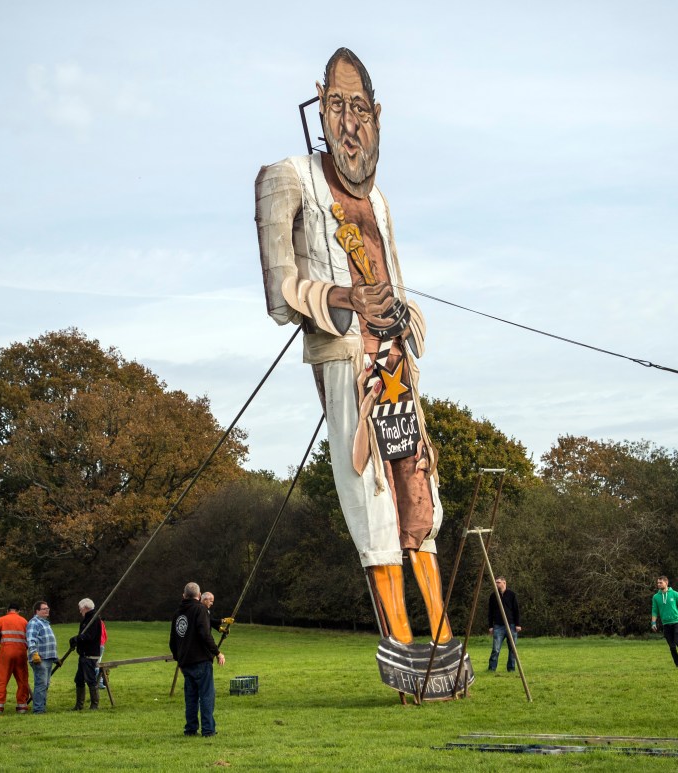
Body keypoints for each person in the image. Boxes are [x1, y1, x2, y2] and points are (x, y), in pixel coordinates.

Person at [255, 48, 453, 651]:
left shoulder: (382, 201)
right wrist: (341, 295)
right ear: (319, 108)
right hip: (346, 359)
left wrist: (404, 311)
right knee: (372, 503)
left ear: (377, 116)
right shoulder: (286, 177)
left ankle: (443, 642)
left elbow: (393, 274)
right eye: (337, 106)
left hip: (397, 362)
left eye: (359, 108)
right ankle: (402, 647)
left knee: (420, 499)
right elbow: (279, 294)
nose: (349, 121)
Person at [170, 582, 226, 737]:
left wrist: (179, 660)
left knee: (191, 697)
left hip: (186, 663)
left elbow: (172, 641)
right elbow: (204, 634)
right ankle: (208, 730)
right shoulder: (200, 609)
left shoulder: (177, 614)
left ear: (184, 595)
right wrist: (218, 653)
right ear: (199, 595)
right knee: (207, 695)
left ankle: (190, 729)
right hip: (201, 660)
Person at [0, 602, 31, 714]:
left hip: (6, 652)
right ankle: (22, 706)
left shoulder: (1, 620)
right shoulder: (24, 621)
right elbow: (29, 637)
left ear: (8, 610)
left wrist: (3, 641)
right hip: (21, 653)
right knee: (22, 680)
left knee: (2, 679)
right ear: (18, 611)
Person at [68, 598, 103, 710]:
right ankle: (79, 705)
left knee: (90, 679)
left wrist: (77, 638)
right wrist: (76, 641)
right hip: (83, 654)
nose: (80, 611)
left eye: (80, 609)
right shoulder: (87, 619)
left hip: (90, 655)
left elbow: (89, 636)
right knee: (79, 679)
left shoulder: (93, 619)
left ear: (85, 608)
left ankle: (94, 705)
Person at [25, 600, 58, 714]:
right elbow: (30, 639)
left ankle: (41, 707)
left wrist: (55, 658)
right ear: (37, 611)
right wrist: (34, 653)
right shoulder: (34, 623)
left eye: (47, 608)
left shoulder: (45, 623)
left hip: (48, 658)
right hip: (40, 658)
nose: (47, 610)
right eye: (44, 609)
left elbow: (49, 641)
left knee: (45, 684)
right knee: (41, 684)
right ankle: (38, 709)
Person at [651, 575, 678, 667]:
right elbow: (654, 610)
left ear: (666, 582)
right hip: (666, 623)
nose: (658, 584)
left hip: (676, 622)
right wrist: (653, 623)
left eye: (660, 582)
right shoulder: (656, 597)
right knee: (672, 646)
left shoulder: (675, 594)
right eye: (658, 583)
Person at [487, 577, 521, 672]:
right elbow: (490, 612)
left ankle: (511, 669)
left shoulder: (511, 595)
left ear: (504, 583)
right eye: (495, 583)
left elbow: (516, 610)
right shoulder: (493, 596)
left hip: (511, 625)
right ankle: (492, 668)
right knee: (496, 649)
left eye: (498, 582)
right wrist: (490, 626)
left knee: (512, 649)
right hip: (498, 626)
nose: (496, 584)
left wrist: (518, 624)